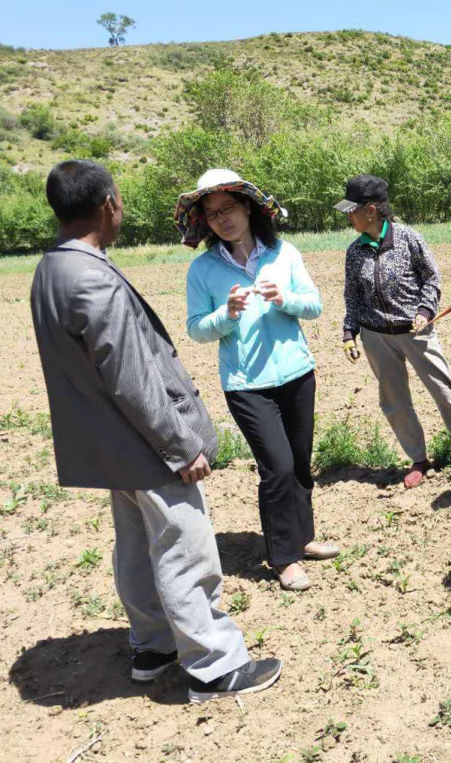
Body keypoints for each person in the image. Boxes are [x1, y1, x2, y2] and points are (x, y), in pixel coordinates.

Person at [30, 160, 280, 702]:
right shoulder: (93, 277)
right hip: (146, 442)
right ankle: (214, 665)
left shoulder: (50, 270)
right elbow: (131, 376)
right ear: (109, 204)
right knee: (184, 547)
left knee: (138, 547)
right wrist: (179, 445)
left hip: (108, 444)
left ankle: (154, 645)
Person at [179, 169, 339, 592]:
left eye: (228, 208)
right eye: (212, 214)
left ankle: (303, 539)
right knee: (278, 468)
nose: (222, 219)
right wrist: (226, 314)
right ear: (206, 223)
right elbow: (196, 329)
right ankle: (283, 557)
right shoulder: (203, 270)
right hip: (246, 383)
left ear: (248, 206)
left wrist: (284, 299)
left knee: (300, 463)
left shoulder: (283, 253)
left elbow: (315, 305)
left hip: (296, 373)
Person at [338, 175, 451, 488]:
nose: (348, 216)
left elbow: (431, 279)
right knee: (394, 401)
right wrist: (349, 332)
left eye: (352, 210)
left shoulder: (408, 239)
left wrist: (424, 311)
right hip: (375, 336)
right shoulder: (354, 252)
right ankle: (418, 458)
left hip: (415, 330)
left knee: (443, 388)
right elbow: (352, 295)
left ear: (371, 210)